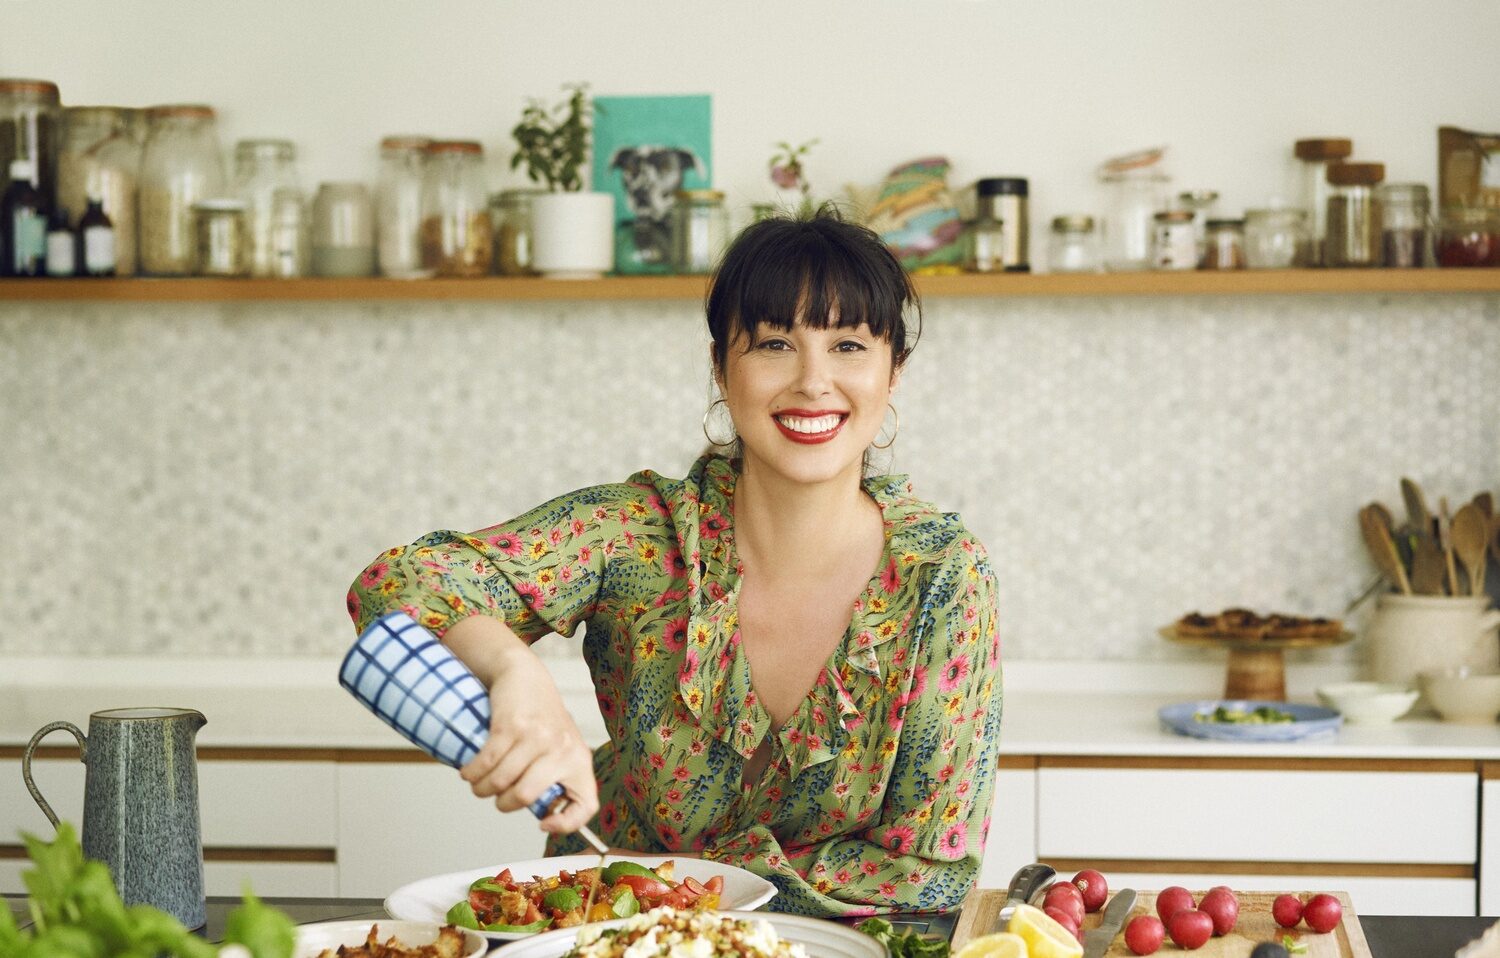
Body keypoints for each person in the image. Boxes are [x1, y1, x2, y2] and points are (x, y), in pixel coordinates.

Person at [346, 209, 1001, 917]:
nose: (814, 382)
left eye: (847, 345)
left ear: (892, 371)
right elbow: (398, 584)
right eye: (776, 343)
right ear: (722, 366)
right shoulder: (636, 535)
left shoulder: (943, 578)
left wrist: (705, 894)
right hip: (604, 939)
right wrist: (512, 668)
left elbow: (930, 868)